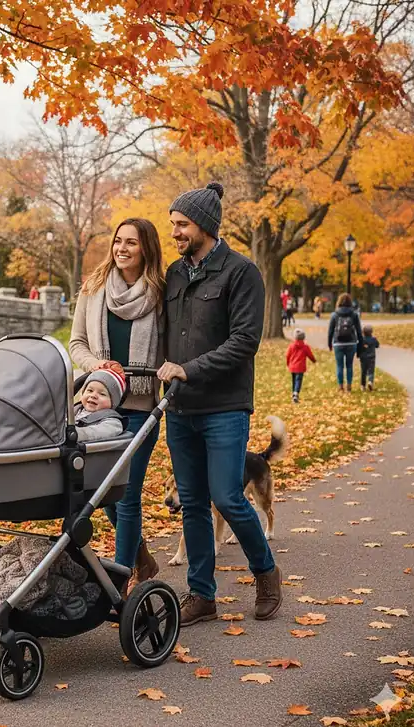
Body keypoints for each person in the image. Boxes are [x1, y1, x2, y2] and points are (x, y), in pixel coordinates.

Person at [157, 181, 282, 626]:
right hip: (180, 408)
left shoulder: (241, 272)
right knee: (191, 502)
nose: (174, 233)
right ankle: (202, 595)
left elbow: (245, 341)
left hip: (225, 407)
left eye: (182, 224)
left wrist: (189, 368)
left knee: (227, 496)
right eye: (173, 224)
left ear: (206, 226)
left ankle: (266, 573)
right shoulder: (174, 274)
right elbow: (165, 336)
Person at [69, 217, 164, 588]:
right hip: (99, 407)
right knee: (99, 492)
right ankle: (141, 555)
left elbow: (170, 349)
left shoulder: (161, 293)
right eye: (118, 241)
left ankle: (121, 581)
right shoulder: (93, 289)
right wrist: (97, 365)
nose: (122, 249)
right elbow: (77, 343)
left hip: (141, 410)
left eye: (132, 243)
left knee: (126, 496)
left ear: (147, 249)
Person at [74, 367, 127, 442]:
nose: (93, 395)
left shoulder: (113, 422)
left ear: (113, 402)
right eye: (90, 390)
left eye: (102, 394)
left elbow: (97, 432)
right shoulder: (75, 410)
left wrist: (78, 433)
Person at [327, 292, 363, 392]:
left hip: (338, 343)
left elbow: (330, 331)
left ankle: (340, 386)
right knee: (349, 365)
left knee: (339, 365)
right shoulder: (354, 315)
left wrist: (329, 344)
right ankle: (349, 385)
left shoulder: (334, 315)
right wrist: (360, 346)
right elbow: (359, 331)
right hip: (351, 343)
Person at [286, 328, 316, 403]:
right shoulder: (305, 347)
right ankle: (296, 394)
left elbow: (287, 355)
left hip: (292, 367)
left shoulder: (291, 346)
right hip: (300, 368)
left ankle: (294, 393)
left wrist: (288, 363)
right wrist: (314, 360)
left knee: (294, 380)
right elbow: (310, 355)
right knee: (298, 381)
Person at [359, 325, 380, 391]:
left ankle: (363, 385)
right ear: (371, 332)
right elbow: (377, 345)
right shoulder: (374, 339)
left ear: (363, 332)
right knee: (371, 371)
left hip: (363, 358)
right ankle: (370, 381)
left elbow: (359, 348)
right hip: (371, 358)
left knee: (363, 371)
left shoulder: (362, 340)